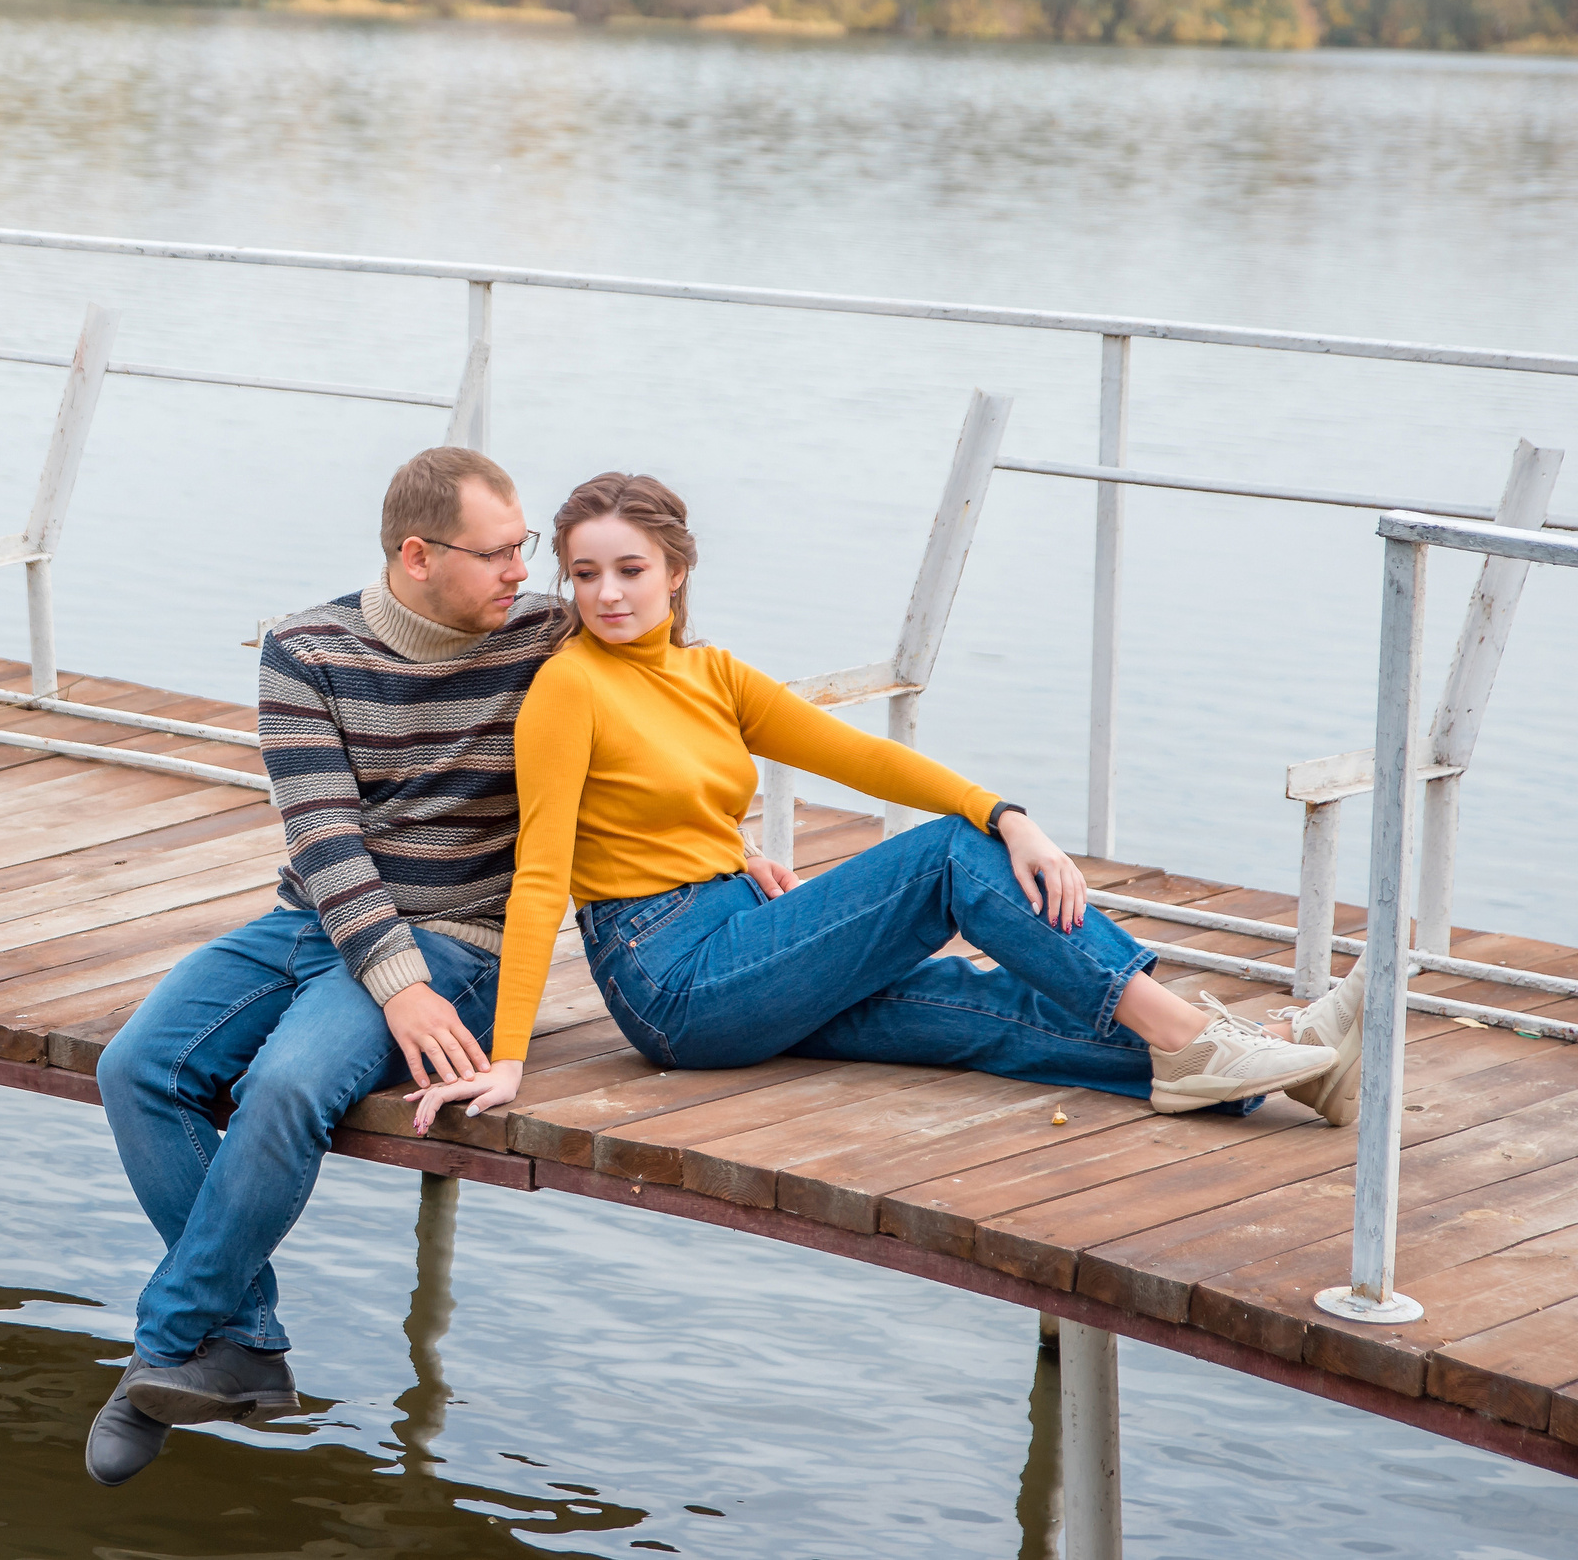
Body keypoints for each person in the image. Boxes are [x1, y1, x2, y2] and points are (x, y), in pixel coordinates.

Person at [407, 471, 1362, 1141]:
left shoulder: (713, 674)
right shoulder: (570, 686)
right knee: (948, 856)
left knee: (968, 1008)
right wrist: (509, 1057)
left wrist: (1008, 811)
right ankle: (1196, 1036)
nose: (607, 594)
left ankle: (1279, 1064)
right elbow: (541, 872)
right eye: (583, 574)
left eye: (630, 569)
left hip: (744, 932)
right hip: (670, 982)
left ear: (677, 569)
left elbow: (863, 758)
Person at [88, 447, 696, 1486]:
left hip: (460, 937)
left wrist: (718, 834)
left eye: (526, 548)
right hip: (317, 919)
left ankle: (162, 1347)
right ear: (416, 555)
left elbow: (674, 711)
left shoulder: (548, 637)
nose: (526, 572)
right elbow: (323, 839)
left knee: (286, 1084)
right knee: (135, 1065)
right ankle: (246, 1339)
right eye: (500, 551)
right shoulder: (304, 648)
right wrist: (391, 982)